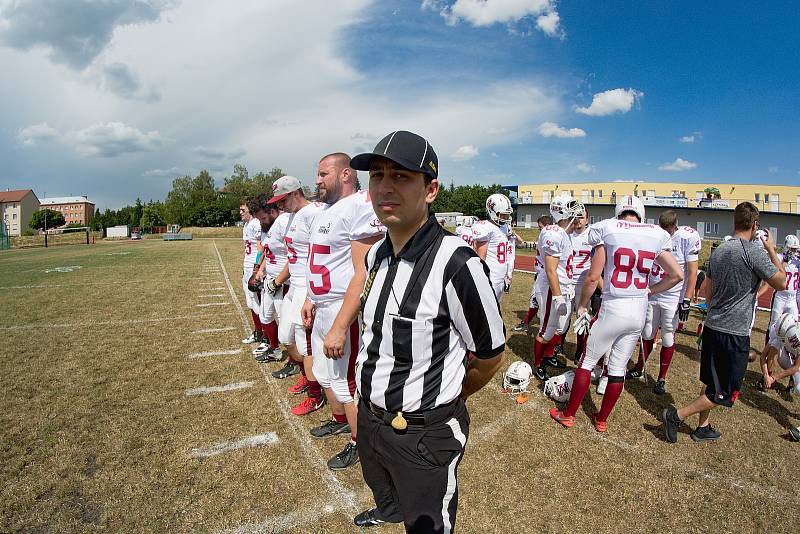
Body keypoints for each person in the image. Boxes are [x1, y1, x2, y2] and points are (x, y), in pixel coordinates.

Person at [349, 130, 505, 531]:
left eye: (401, 176)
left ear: (430, 189)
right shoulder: (376, 256)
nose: (385, 187)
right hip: (370, 420)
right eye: (378, 175)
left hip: (422, 434)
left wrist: (447, 396)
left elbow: (491, 355)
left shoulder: (457, 264)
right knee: (388, 499)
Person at [550, 195, 683, 432]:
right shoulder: (656, 233)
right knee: (618, 368)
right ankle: (601, 419)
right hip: (638, 310)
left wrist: (582, 306)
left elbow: (593, 277)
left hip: (613, 306)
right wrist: (650, 290)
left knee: (587, 361)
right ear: (640, 213)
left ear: (619, 211)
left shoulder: (607, 228)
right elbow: (677, 275)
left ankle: (568, 414)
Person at [661, 202, 786, 443]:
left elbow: (707, 290)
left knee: (711, 382)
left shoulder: (719, 250)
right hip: (734, 332)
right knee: (726, 392)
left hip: (712, 326)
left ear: (735, 222)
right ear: (755, 225)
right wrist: (771, 249)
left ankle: (703, 426)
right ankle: (676, 416)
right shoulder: (753, 251)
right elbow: (781, 282)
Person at [300, 153, 384, 470]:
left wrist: (341, 321)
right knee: (330, 378)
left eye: (323, 174)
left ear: (346, 174)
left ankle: (360, 443)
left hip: (341, 307)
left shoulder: (361, 204)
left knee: (347, 382)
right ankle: (345, 424)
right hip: (322, 305)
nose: (317, 180)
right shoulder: (327, 210)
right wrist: (310, 297)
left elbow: (365, 271)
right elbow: (322, 261)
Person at [267, 176, 327, 415]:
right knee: (287, 337)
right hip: (295, 285)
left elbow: (320, 253)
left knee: (306, 345)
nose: (279, 206)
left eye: (282, 200)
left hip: (306, 287)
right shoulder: (289, 217)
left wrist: (311, 293)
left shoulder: (314, 212)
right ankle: (307, 377)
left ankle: (315, 394)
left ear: (294, 193)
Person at [628, 211, 700, 395]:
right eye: (664, 229)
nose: (666, 233)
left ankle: (661, 377)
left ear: (675, 226)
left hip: (672, 297)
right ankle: (639, 367)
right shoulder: (655, 234)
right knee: (647, 332)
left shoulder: (687, 237)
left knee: (668, 336)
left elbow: (692, 272)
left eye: (669, 229)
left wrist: (686, 299)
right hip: (653, 293)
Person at [531, 194, 584, 381]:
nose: (577, 216)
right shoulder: (553, 233)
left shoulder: (563, 233)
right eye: (572, 210)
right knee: (546, 329)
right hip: (551, 288)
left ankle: (548, 356)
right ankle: (537, 364)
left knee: (559, 328)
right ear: (562, 211)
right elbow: (551, 270)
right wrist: (558, 296)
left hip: (562, 286)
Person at [251, 195, 289, 362]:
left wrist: (279, 280)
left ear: (273, 211)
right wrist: (260, 270)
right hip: (269, 279)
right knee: (265, 316)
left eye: (264, 217)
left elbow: (292, 257)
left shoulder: (284, 224)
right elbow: (268, 252)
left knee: (287, 325)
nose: (262, 222)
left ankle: (295, 361)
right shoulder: (266, 226)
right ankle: (274, 349)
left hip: (284, 282)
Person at [759, 313, 800, 440]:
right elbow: (762, 356)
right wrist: (766, 375)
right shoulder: (778, 334)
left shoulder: (795, 334)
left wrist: (774, 377)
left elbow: (797, 367)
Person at [513, 214, 553, 332]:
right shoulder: (544, 238)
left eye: (540, 228)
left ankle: (545, 329)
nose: (539, 230)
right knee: (534, 300)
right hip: (540, 274)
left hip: (546, 276)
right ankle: (526, 323)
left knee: (541, 302)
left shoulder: (550, 239)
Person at [472, 193, 514, 301]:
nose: (506, 217)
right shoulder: (486, 227)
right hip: (491, 277)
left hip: (500, 276)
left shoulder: (504, 227)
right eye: (503, 214)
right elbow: (481, 257)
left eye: (507, 214)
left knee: (497, 308)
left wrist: (507, 274)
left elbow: (508, 252)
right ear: (492, 211)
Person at [764, 235, 799, 345]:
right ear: (786, 247)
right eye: (792, 248)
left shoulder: (797, 261)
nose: (794, 251)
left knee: (794, 326)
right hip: (780, 296)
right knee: (774, 324)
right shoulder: (779, 257)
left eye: (795, 249)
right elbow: (776, 272)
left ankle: (790, 351)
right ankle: (768, 347)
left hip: (792, 298)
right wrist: (785, 261)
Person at [239, 200, 264, 346]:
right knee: (251, 302)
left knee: (257, 302)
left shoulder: (255, 224)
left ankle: (264, 335)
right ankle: (258, 331)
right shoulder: (247, 225)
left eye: (243, 210)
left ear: (250, 210)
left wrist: (256, 268)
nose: (241, 213)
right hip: (247, 266)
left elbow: (260, 248)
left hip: (253, 268)